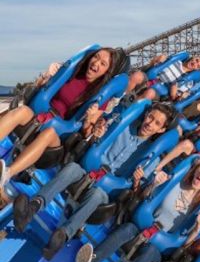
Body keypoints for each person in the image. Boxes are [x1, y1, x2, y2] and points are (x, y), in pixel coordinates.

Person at [12, 102, 177, 259]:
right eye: (150, 117)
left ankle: (62, 236)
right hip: (89, 170)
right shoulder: (122, 127)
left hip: (107, 189)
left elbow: (135, 193)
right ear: (146, 114)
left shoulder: (151, 159)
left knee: (97, 195)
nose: (150, 124)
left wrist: (136, 181)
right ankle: (32, 207)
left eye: (156, 123)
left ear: (161, 130)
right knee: (72, 168)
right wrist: (96, 135)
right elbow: (94, 142)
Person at [0, 47, 126, 190]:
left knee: (49, 133)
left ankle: (6, 174)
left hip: (58, 137)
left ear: (106, 72)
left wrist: (89, 119)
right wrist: (47, 76)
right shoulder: (72, 73)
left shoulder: (100, 98)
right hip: (40, 116)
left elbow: (86, 133)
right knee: (22, 111)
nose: (96, 63)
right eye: (96, 57)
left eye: (103, 64)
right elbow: (39, 88)